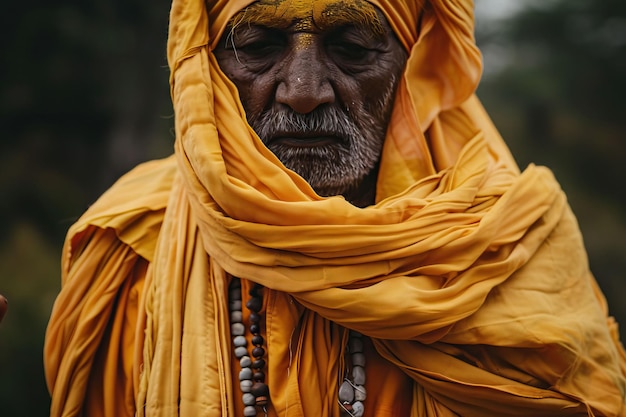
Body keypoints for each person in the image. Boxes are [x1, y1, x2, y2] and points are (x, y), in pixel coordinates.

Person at [44, 0, 626, 416]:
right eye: (256, 47)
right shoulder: (124, 247)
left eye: (351, 48)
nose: (302, 90)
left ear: (416, 65)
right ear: (207, 69)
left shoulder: (513, 240)